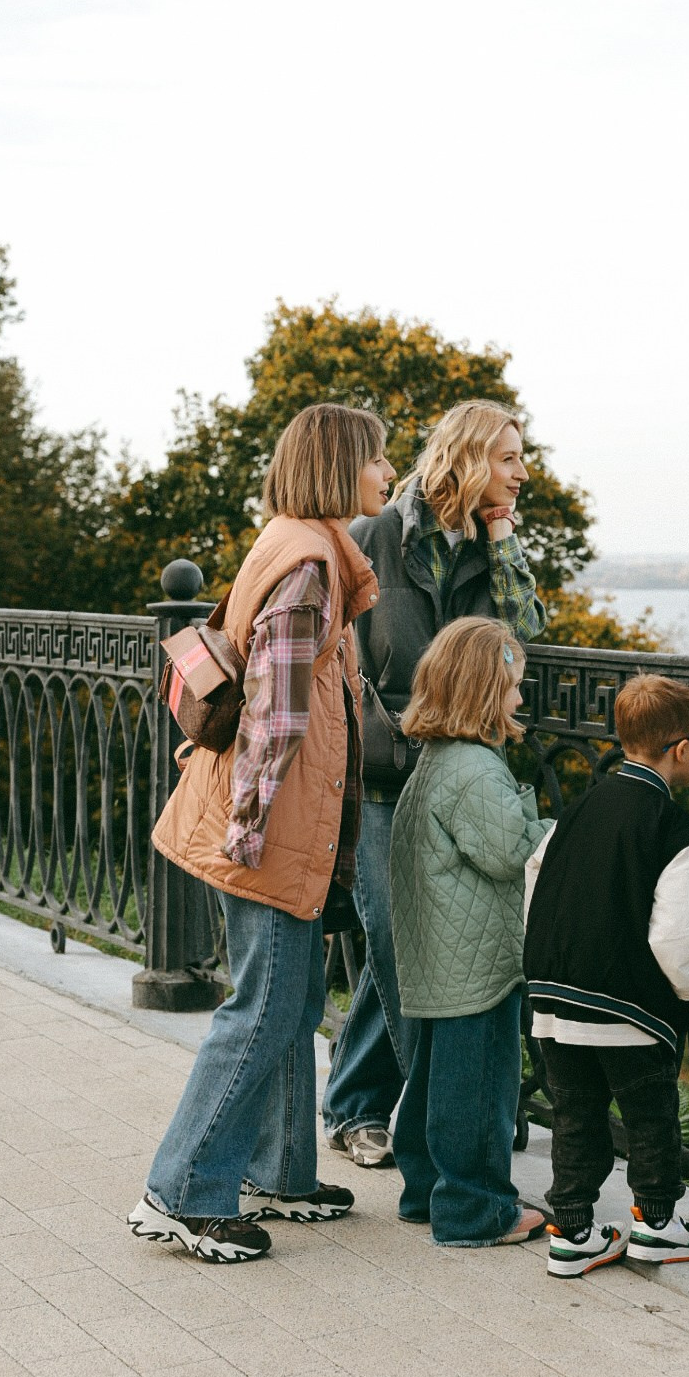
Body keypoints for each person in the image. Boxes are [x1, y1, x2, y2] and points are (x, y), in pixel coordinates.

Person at [128, 403, 396, 1263]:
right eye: (377, 459)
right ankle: (184, 1192)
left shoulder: (297, 542)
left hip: (280, 819)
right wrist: (247, 834)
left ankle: (279, 1173)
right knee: (264, 1007)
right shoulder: (309, 567)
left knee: (291, 1000)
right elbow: (276, 718)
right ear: (338, 467)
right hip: (272, 826)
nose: (388, 474)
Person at [322, 400, 547, 1168]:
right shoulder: (374, 535)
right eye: (509, 457)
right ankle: (446, 1122)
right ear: (469, 457)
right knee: (395, 944)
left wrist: (504, 541)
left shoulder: (488, 545)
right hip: (384, 776)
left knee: (427, 951)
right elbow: (334, 653)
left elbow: (524, 632)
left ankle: (361, 1105)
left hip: (461, 777)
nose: (522, 473)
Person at [523, 674, 689, 1277]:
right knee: (649, 1115)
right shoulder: (674, 831)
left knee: (575, 1116)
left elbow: (536, 881)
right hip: (629, 1005)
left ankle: (573, 1232)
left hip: (556, 997)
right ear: (682, 749)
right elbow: (676, 940)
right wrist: (688, 993)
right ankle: (657, 1224)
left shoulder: (579, 810)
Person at [388, 617, 551, 1243]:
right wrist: (546, 823)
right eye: (513, 686)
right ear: (485, 692)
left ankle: (427, 1190)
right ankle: (475, 1208)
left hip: (441, 951)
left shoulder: (436, 759)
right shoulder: (475, 770)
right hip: (476, 961)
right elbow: (509, 851)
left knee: (435, 1078)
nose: (520, 697)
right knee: (479, 1088)